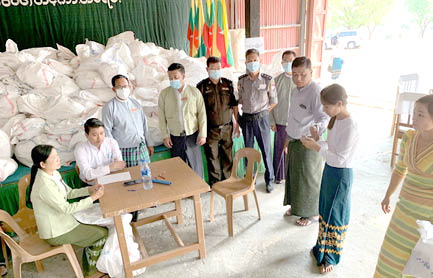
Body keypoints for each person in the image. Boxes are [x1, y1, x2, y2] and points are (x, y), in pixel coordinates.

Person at [301, 84, 360, 273]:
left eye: (327, 106)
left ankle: (332, 256)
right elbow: (331, 146)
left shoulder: (351, 125)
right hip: (330, 169)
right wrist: (318, 139)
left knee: (336, 214)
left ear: (340, 104)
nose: (324, 110)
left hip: (341, 174)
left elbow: (339, 157)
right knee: (325, 210)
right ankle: (321, 248)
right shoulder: (335, 119)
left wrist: (316, 147)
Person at [374, 94, 433, 277]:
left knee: (416, 266)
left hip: (426, 218)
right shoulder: (409, 137)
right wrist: (388, 195)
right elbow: (400, 170)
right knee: (389, 260)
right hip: (403, 212)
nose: (413, 118)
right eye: (414, 113)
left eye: (420, 115)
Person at [29, 145, 108, 278]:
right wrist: (93, 198)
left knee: (102, 225)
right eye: (53, 158)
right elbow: (67, 208)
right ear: (42, 164)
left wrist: (90, 190)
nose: (58, 159)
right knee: (101, 234)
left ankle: (92, 264)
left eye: (57, 155)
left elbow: (69, 193)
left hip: (63, 221)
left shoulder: (53, 173)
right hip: (56, 231)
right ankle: (90, 273)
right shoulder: (44, 185)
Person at [283, 56, 329, 226]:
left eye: (302, 74)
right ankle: (297, 207)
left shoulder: (316, 91)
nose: (298, 78)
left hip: (309, 142)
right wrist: (288, 138)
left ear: (311, 72)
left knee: (309, 178)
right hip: (295, 140)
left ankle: (312, 213)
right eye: (294, 74)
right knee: (295, 177)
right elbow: (293, 117)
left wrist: (316, 131)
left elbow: (323, 117)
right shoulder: (295, 91)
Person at [238, 48, 277, 193]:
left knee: (266, 151)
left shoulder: (268, 79)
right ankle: (249, 179)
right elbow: (240, 100)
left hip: (262, 120)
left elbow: (274, 100)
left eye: (255, 60)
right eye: (250, 60)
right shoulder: (241, 80)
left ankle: (269, 180)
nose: (252, 63)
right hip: (247, 119)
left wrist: (264, 114)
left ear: (260, 61)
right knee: (248, 151)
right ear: (246, 62)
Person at [196, 56, 240, 186]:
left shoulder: (228, 84)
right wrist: (200, 130)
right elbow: (199, 110)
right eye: (212, 68)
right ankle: (216, 183)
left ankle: (228, 180)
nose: (216, 71)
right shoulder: (201, 87)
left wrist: (237, 124)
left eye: (218, 68)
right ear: (207, 69)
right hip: (210, 130)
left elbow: (234, 106)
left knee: (228, 155)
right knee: (212, 157)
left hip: (227, 127)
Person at [158, 63, 207, 178]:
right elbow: (161, 117)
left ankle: (196, 193)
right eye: (170, 78)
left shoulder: (194, 92)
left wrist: (202, 134)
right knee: (177, 168)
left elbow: (202, 115)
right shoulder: (165, 94)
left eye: (176, 77)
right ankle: (180, 191)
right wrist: (165, 135)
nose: (173, 80)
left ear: (183, 76)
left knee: (195, 167)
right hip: (175, 137)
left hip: (192, 136)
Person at [102, 74, 154, 168]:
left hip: (141, 147)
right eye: (119, 87)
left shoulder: (135, 103)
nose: (123, 89)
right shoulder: (109, 107)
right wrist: (114, 151)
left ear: (129, 87)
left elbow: (144, 124)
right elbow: (107, 131)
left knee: (146, 174)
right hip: (124, 150)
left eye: (125, 86)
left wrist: (149, 143)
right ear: (114, 89)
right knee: (129, 178)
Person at [270, 50, 296, 184]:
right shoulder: (276, 80)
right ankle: (279, 176)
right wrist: (272, 121)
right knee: (279, 149)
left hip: (295, 123)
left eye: (290, 61)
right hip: (280, 121)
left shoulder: (299, 81)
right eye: (285, 61)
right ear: (282, 63)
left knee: (294, 151)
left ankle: (292, 175)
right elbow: (270, 103)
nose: (288, 64)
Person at [74, 118, 125, 184]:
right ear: (86, 135)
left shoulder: (111, 142)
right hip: (91, 185)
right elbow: (88, 175)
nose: (99, 138)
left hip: (112, 179)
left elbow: (120, 165)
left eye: (101, 133)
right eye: (94, 135)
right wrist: (112, 167)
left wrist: (95, 173)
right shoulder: (80, 149)